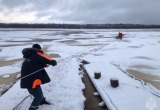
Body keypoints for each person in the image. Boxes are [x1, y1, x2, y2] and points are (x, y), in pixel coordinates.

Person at [20, 44, 57, 110]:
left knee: (37, 91)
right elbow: (48, 59)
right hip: (31, 79)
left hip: (27, 79)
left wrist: (44, 65)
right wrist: (53, 62)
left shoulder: (29, 56)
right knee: (38, 95)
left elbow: (36, 63)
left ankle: (41, 101)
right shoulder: (37, 54)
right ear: (38, 49)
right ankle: (32, 108)